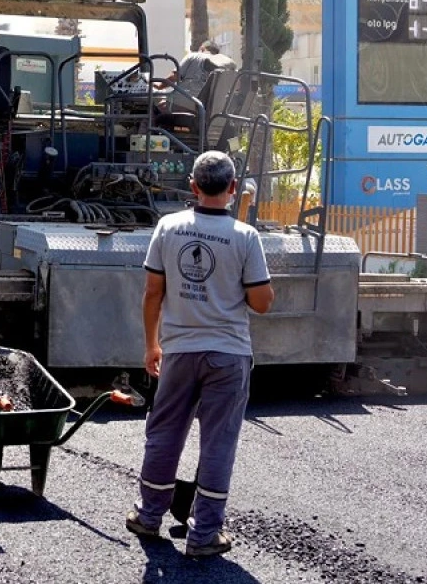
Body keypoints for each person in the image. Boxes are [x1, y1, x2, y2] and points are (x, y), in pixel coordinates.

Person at [126, 151, 274, 558]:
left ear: (192, 186)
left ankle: (149, 515)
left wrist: (151, 345)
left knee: (164, 433)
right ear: (232, 189)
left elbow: (152, 293)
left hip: (178, 351)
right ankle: (204, 533)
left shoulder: (168, 227)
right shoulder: (245, 237)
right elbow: (261, 303)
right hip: (228, 355)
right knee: (218, 444)